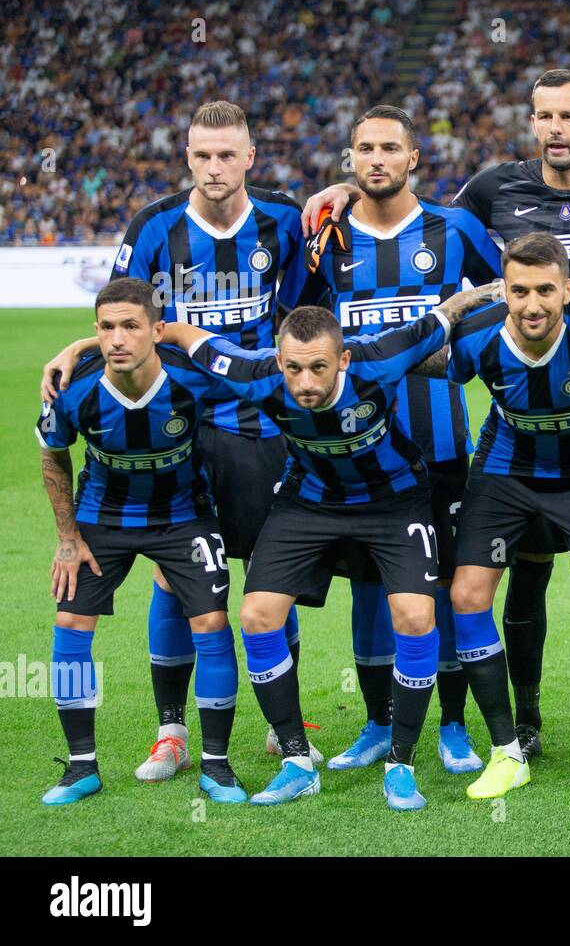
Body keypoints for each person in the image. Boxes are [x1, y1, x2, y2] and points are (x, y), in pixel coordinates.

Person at [304, 69, 570, 768]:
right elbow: (431, 223)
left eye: (568, 115)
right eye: (543, 115)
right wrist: (347, 190)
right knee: (526, 578)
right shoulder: (491, 191)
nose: (555, 127)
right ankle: (527, 720)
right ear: (532, 123)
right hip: (522, 433)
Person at [45, 100, 318, 778]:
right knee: (176, 578)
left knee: (267, 576)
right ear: (187, 157)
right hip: (178, 429)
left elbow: (306, 313)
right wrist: (83, 341)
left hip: (259, 428)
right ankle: (171, 733)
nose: (215, 167)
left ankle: (285, 723)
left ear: (250, 157)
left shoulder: (283, 221)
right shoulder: (154, 226)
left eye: (228, 154)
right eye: (202, 154)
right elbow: (124, 314)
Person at [159, 284, 499, 809]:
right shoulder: (256, 374)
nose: (304, 382)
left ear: (343, 358)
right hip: (309, 502)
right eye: (293, 368)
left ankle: (401, 764)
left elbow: (448, 314)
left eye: (319, 368)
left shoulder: (380, 359)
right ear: (278, 359)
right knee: (257, 614)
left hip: (395, 500)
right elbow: (186, 336)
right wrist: (81, 349)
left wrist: (498, 290)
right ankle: (297, 759)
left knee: (414, 616)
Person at [301, 104, 502, 776]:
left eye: (390, 147)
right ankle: (378, 723)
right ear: (350, 160)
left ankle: (450, 725)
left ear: (414, 158)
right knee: (367, 592)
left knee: (439, 587)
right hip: (357, 457)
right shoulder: (326, 239)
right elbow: (297, 326)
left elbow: (509, 292)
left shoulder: (454, 228)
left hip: (441, 448)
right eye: (365, 148)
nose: (377, 159)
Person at [444, 232, 570, 805]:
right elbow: (431, 361)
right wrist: (451, 307)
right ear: (502, 289)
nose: (533, 304)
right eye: (520, 290)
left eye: (546, 291)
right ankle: (507, 751)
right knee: (467, 594)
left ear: (568, 287)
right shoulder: (479, 333)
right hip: (504, 472)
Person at [37, 278, 245, 805]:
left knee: (212, 622)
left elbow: (256, 384)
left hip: (183, 515)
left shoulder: (191, 379)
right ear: (95, 333)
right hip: (102, 516)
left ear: (157, 330)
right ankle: (81, 766)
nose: (117, 339)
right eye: (106, 328)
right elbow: (52, 453)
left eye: (131, 326)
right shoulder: (73, 389)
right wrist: (67, 538)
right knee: (69, 622)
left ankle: (217, 765)